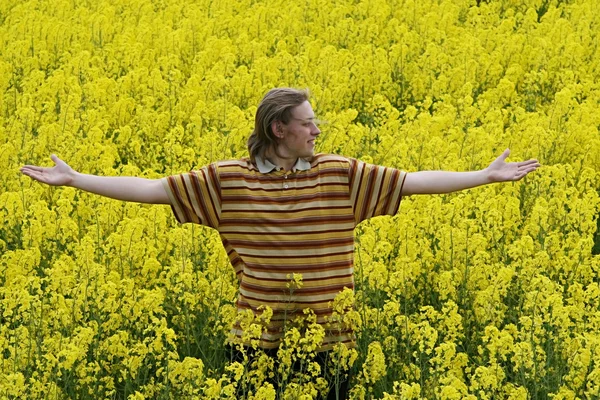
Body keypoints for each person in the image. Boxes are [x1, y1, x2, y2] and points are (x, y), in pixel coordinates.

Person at [19, 87, 540, 399]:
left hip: (331, 340)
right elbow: (152, 191)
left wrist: (484, 176)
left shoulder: (341, 174)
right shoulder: (228, 180)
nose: (317, 130)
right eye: (308, 123)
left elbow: (412, 181)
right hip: (255, 342)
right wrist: (76, 179)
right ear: (279, 129)